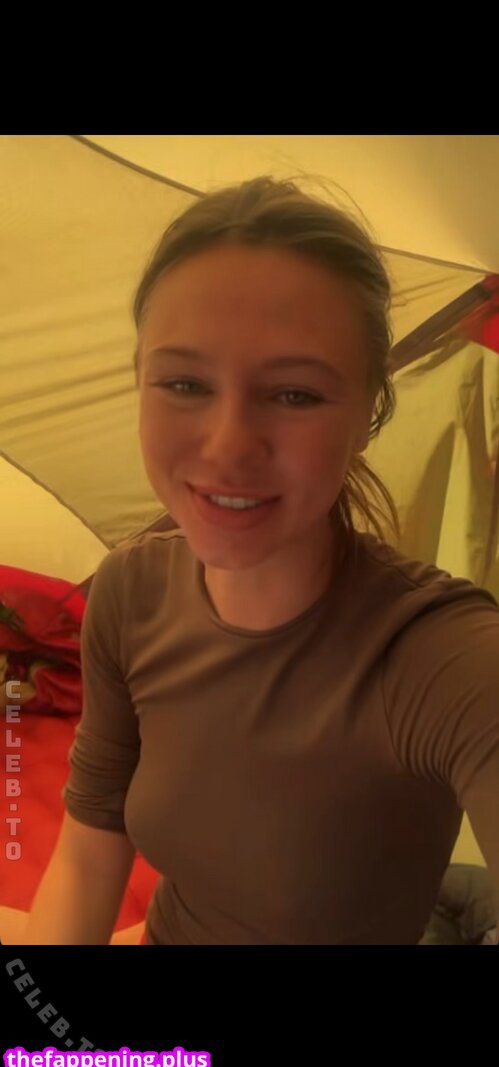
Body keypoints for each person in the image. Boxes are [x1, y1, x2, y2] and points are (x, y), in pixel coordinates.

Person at [13, 176, 499, 944]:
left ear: (368, 411)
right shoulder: (132, 591)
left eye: (295, 394)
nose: (227, 447)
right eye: (184, 383)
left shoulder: (439, 659)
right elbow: (88, 852)